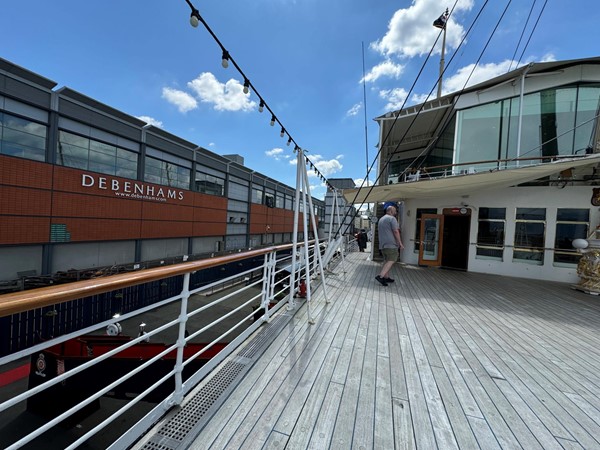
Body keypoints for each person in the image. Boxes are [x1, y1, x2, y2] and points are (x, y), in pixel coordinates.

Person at [376, 202, 403, 286]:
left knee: (387, 260)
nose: (396, 213)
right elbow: (396, 231)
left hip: (383, 245)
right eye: (395, 211)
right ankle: (381, 276)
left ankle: (386, 277)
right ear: (391, 211)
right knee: (391, 260)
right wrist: (400, 243)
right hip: (391, 244)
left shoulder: (381, 219)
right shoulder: (392, 219)